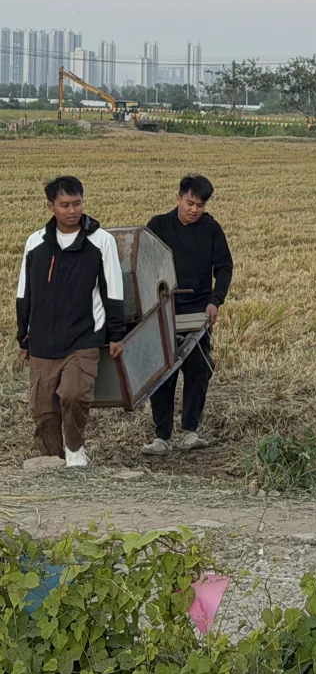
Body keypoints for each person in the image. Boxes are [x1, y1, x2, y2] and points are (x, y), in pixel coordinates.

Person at [15, 176, 125, 467]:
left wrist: (116, 334)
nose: (72, 210)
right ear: (51, 206)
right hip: (42, 339)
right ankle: (52, 460)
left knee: (74, 395)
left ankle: (75, 450)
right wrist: (22, 334)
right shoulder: (35, 243)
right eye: (64, 205)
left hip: (84, 336)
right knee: (42, 410)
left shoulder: (102, 242)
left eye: (77, 203)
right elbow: (24, 291)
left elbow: (113, 291)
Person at [140, 175, 233, 456]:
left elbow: (225, 267)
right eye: (190, 203)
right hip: (162, 309)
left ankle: (190, 432)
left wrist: (215, 301)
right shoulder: (158, 225)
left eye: (200, 205)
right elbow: (141, 263)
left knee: (198, 370)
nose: (194, 209)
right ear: (178, 198)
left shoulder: (211, 229)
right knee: (162, 372)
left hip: (198, 309)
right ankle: (161, 437)